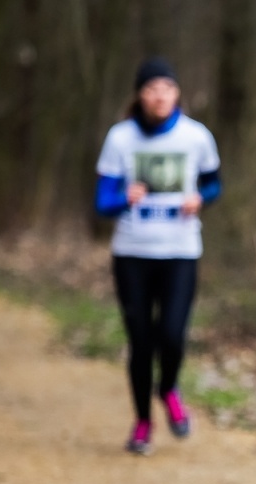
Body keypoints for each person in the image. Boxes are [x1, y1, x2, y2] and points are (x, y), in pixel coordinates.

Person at [95, 58, 221, 455]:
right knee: (140, 341)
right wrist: (122, 199)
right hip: (132, 252)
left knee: (172, 334)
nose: (159, 95)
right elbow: (102, 201)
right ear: (139, 96)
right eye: (151, 88)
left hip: (181, 251)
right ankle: (142, 423)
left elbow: (214, 184)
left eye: (166, 87)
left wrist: (200, 199)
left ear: (177, 93)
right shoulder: (120, 138)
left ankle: (167, 388)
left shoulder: (196, 137)